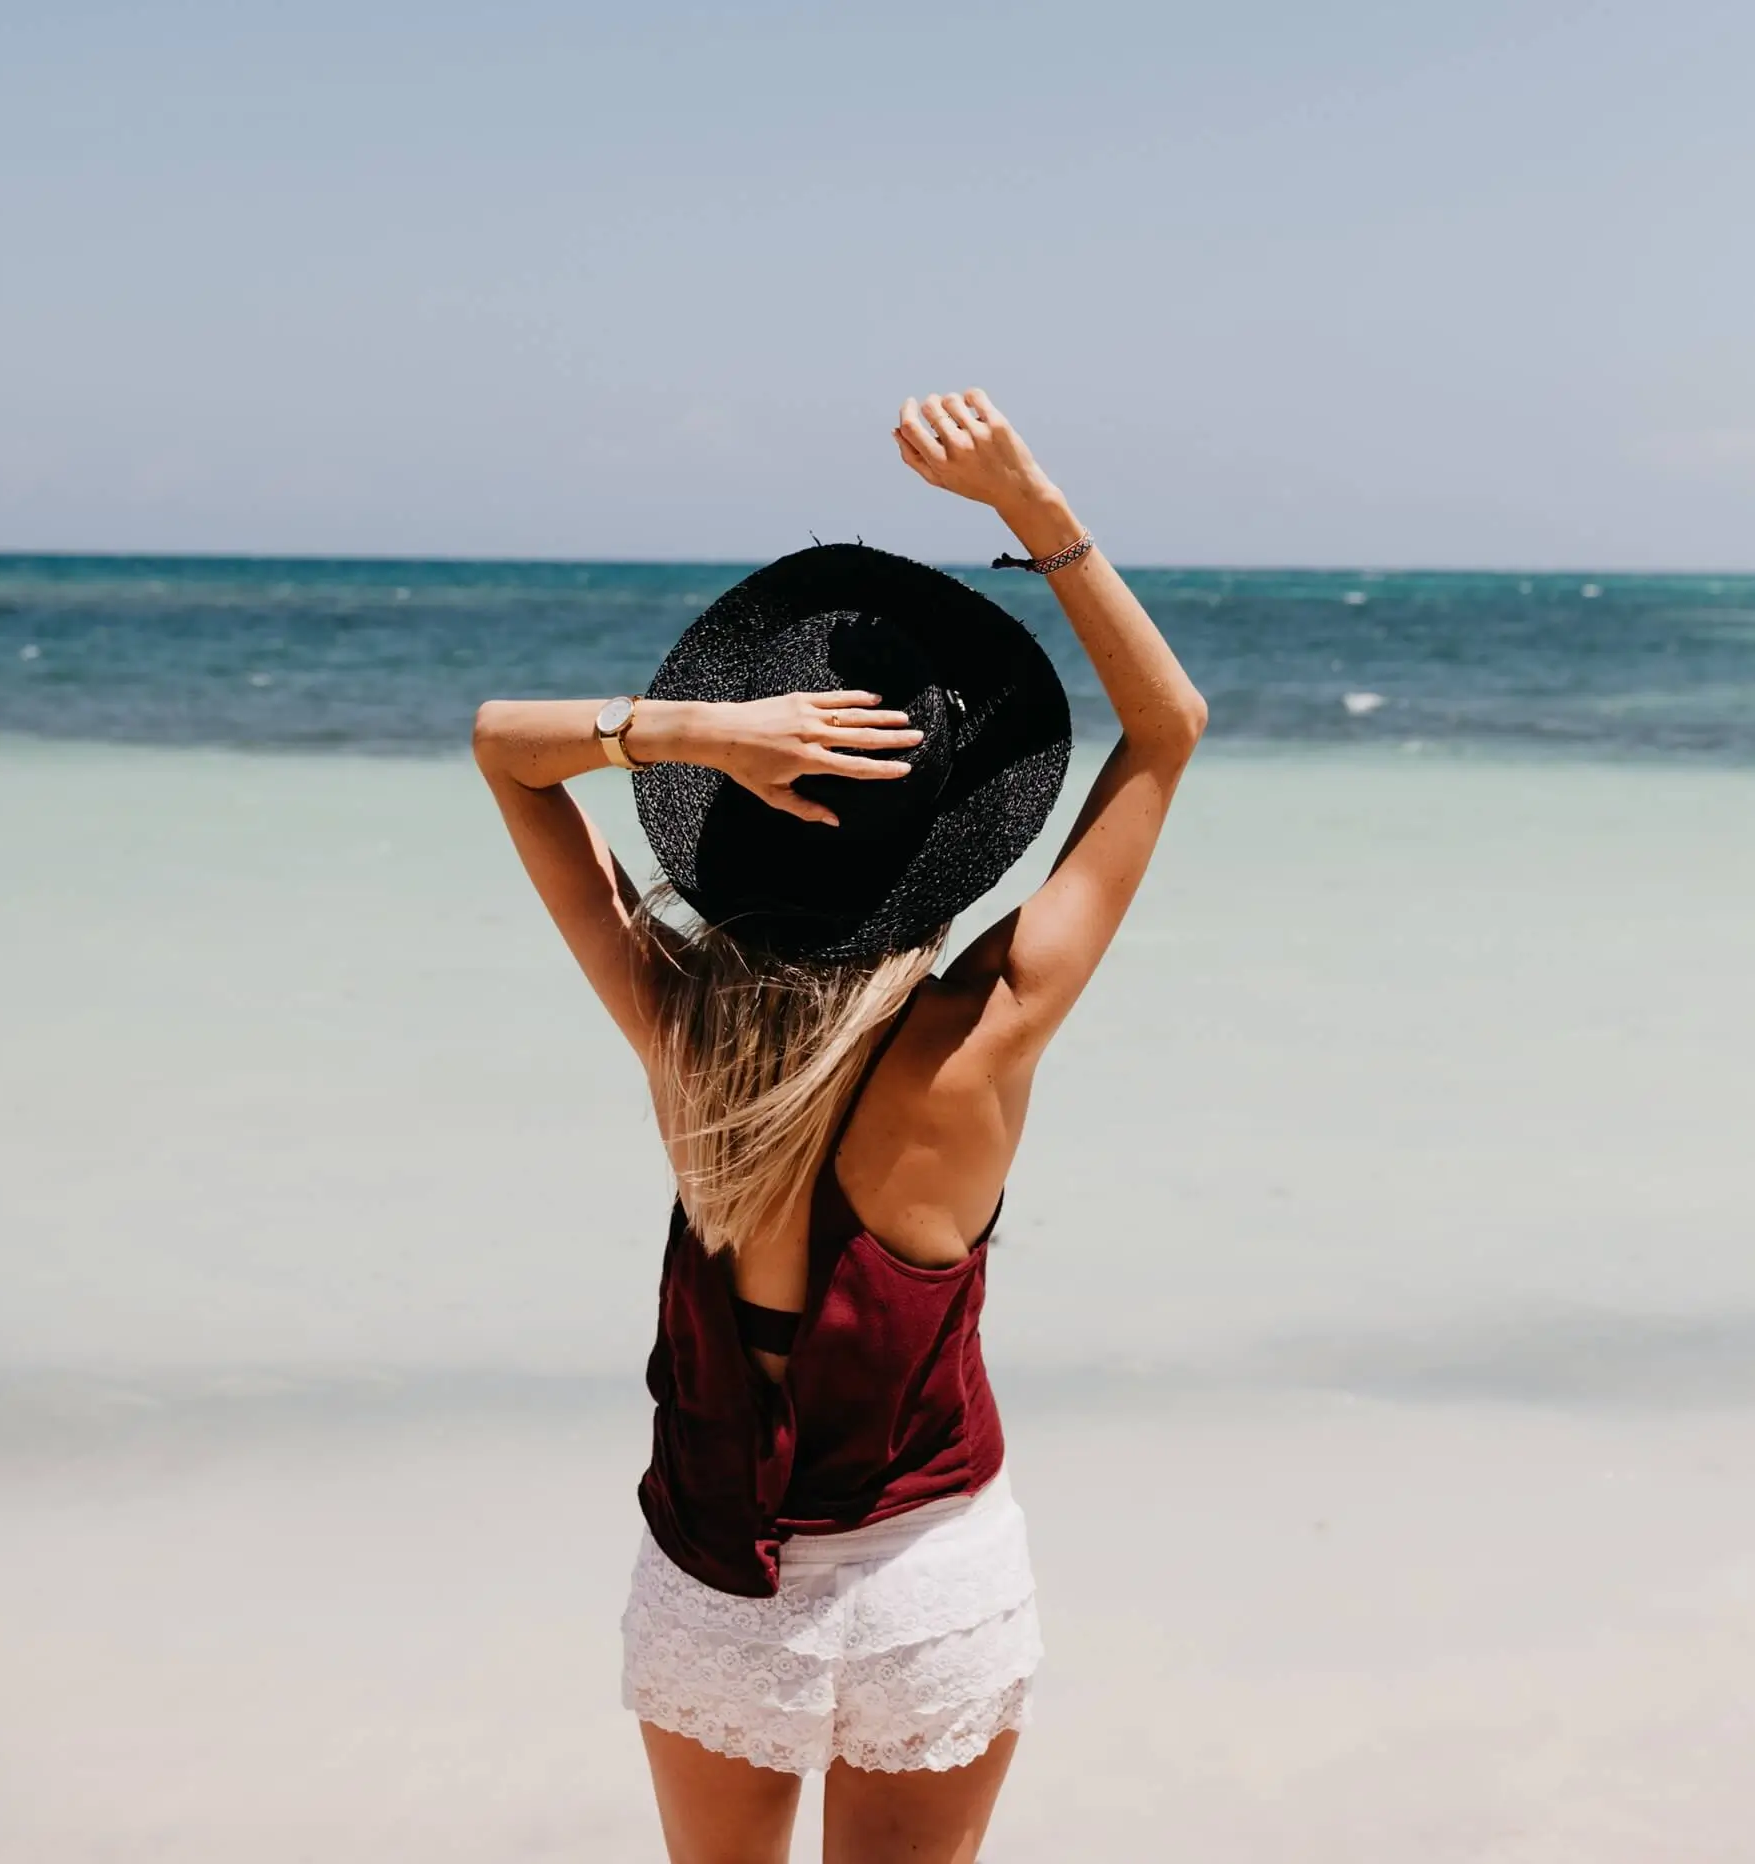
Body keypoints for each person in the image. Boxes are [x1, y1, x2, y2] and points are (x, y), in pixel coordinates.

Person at [472, 389, 1206, 1864]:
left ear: (724, 817)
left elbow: (504, 746)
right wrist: (1029, 507)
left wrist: (687, 729)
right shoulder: (983, 1031)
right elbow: (1166, 732)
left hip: (718, 1593)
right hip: (935, 1580)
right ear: (945, 843)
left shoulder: (678, 1022)